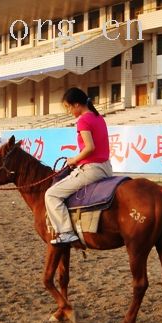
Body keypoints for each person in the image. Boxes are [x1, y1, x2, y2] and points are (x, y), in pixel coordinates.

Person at [45, 87, 113, 244]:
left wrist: (74, 160)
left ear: (76, 105)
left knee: (51, 195)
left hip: (92, 169)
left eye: (68, 107)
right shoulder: (98, 117)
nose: (68, 111)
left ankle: (66, 232)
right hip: (106, 168)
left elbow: (90, 148)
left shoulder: (83, 120)